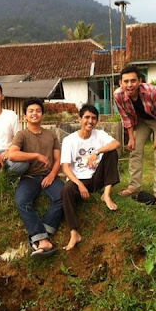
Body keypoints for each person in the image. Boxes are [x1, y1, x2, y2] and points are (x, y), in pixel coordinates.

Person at [114, 65, 156, 206]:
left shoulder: (152, 91)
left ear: (140, 81)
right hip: (143, 120)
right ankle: (133, 186)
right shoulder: (118, 95)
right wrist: (131, 138)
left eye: (133, 81)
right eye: (126, 81)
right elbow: (126, 117)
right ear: (121, 83)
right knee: (135, 150)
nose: (129, 85)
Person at [8, 97, 64, 260]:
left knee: (62, 197)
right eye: (31, 111)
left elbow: (58, 159)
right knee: (22, 202)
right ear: (25, 116)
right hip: (29, 177)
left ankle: (40, 236)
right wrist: (36, 156)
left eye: (38, 111)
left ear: (42, 115)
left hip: (49, 175)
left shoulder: (51, 134)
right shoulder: (22, 135)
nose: (34, 114)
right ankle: (43, 240)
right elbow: (12, 154)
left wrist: (53, 175)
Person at [61, 104, 121, 250]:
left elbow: (116, 143)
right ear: (79, 119)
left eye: (94, 118)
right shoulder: (69, 140)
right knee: (66, 190)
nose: (90, 121)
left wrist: (97, 152)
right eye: (87, 117)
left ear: (97, 120)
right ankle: (74, 232)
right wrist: (79, 184)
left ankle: (106, 195)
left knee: (111, 152)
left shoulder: (99, 134)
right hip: (78, 180)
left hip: (96, 178)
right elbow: (65, 167)